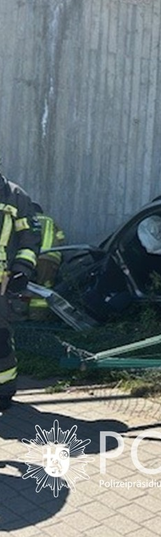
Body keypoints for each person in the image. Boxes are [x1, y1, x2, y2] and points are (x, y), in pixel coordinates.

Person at [0, 172, 41, 410]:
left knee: (1, 339)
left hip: (2, 285)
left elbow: (30, 237)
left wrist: (22, 269)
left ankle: (3, 391)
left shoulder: (15, 196)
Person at [27, 203, 65, 318]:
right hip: (50, 258)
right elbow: (61, 238)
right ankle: (38, 317)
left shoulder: (27, 219)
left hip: (30, 257)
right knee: (43, 288)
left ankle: (26, 317)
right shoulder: (51, 221)